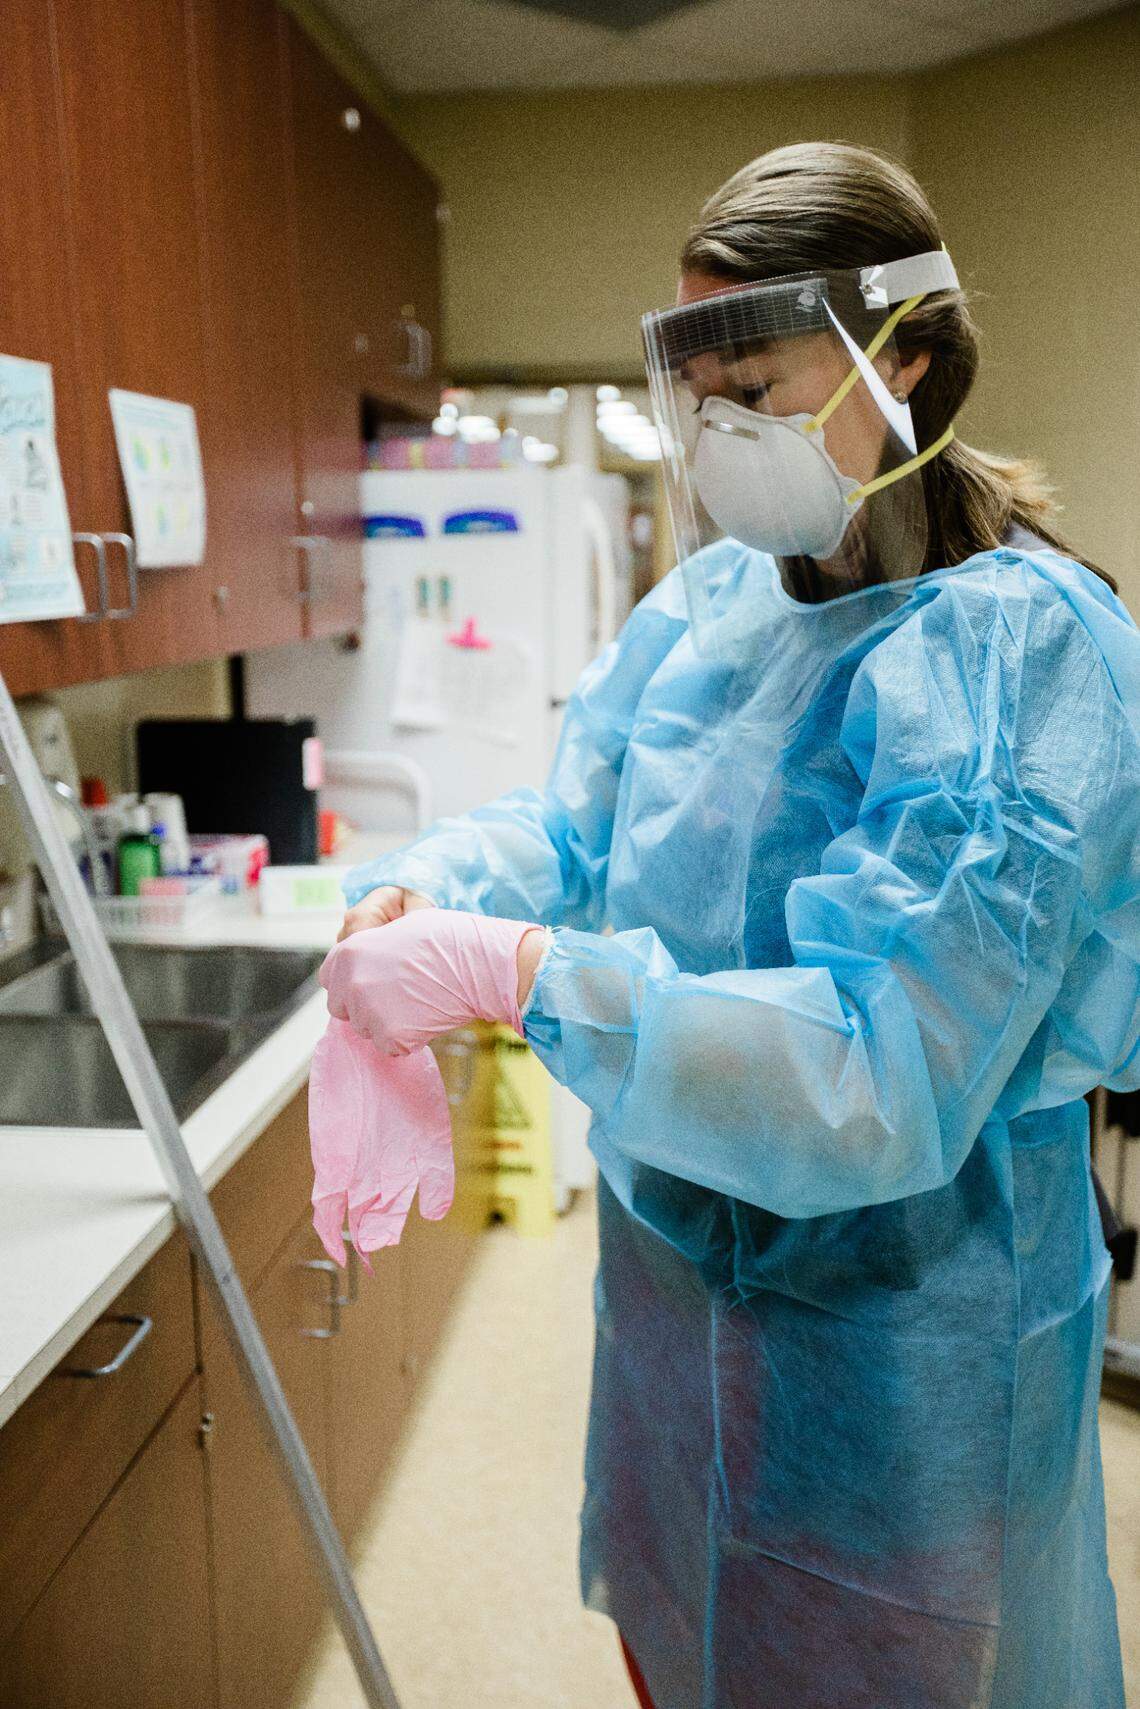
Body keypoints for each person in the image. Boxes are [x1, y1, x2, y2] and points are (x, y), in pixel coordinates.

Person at [326, 143, 1139, 1708]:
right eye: (694, 402)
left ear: (896, 355)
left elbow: (878, 1064)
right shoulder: (709, 611)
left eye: (753, 388)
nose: (715, 441)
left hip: (904, 1362)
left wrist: (530, 979)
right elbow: (573, 825)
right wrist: (442, 889)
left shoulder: (1018, 662)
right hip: (673, 1325)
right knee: (686, 1641)